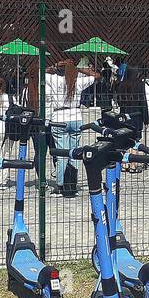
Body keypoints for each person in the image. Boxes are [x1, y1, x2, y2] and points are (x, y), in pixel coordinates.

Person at [45, 58, 97, 198]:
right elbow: (95, 75)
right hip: (76, 116)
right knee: (74, 152)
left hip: (59, 117)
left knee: (62, 153)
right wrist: (77, 69)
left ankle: (60, 185)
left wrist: (57, 64)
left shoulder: (55, 80)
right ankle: (72, 184)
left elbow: (41, 72)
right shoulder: (78, 82)